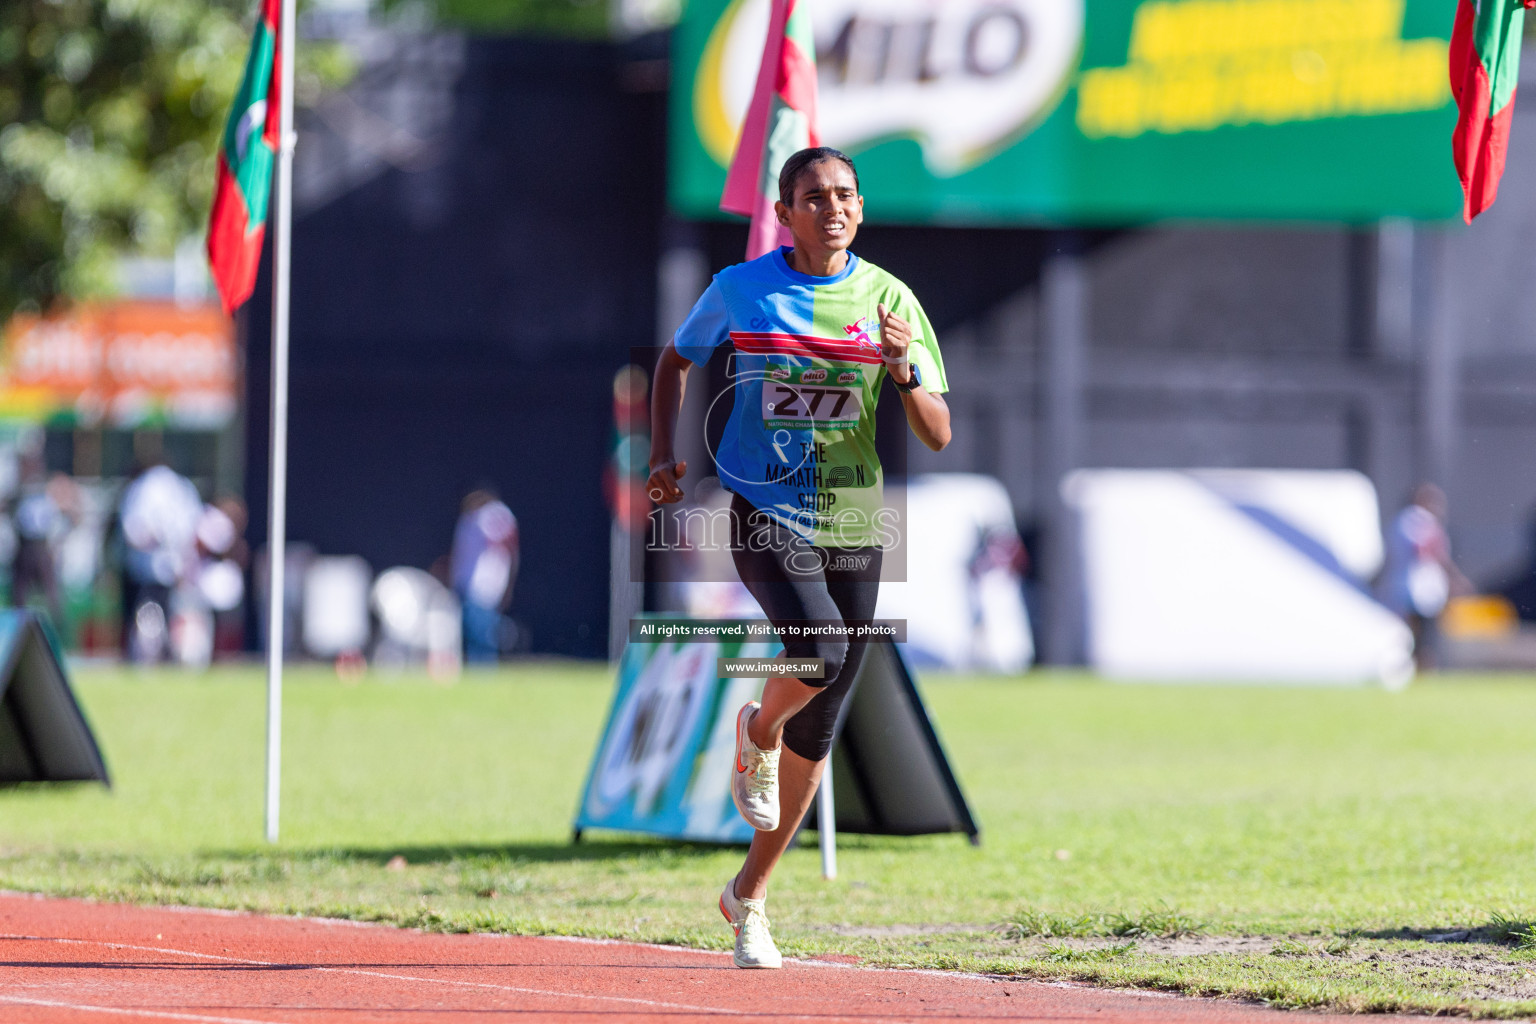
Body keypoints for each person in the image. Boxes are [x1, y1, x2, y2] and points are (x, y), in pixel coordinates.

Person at [647, 147, 951, 969]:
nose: (834, 207)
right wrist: (662, 457)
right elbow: (678, 360)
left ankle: (747, 898)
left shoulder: (890, 300)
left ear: (862, 207)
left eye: (846, 195)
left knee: (823, 717)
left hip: (854, 513)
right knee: (817, 652)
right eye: (814, 197)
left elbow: (936, 429)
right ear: (784, 213)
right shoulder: (742, 289)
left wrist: (900, 367)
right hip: (763, 504)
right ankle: (758, 725)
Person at [1382, 482, 1472, 671]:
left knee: (1416, 633)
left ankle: (1417, 667)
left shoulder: (1399, 521)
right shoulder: (1418, 521)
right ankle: (1421, 667)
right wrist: (1454, 578)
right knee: (1423, 634)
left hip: (1405, 585)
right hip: (1420, 587)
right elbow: (1429, 552)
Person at [449, 488, 519, 663]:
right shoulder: (469, 518)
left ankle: (484, 675)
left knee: (483, 637)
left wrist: (508, 585)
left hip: (485, 586)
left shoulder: (493, 515)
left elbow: (509, 550)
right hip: (466, 585)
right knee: (469, 636)